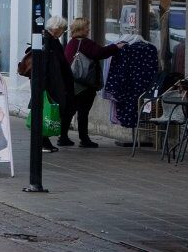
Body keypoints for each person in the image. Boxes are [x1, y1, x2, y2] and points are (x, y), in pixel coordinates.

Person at [62, 16, 123, 148]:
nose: (88, 29)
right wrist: (116, 47)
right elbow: (101, 53)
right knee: (83, 112)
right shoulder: (85, 43)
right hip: (85, 84)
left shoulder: (71, 43)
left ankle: (63, 137)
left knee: (70, 110)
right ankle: (84, 139)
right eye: (86, 27)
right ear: (80, 29)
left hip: (72, 83)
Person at [30, 15, 75, 154]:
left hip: (55, 83)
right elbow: (46, 65)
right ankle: (43, 140)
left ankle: (44, 140)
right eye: (63, 29)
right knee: (49, 112)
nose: (64, 32)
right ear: (57, 28)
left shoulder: (52, 41)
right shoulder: (47, 41)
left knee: (55, 111)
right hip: (51, 84)